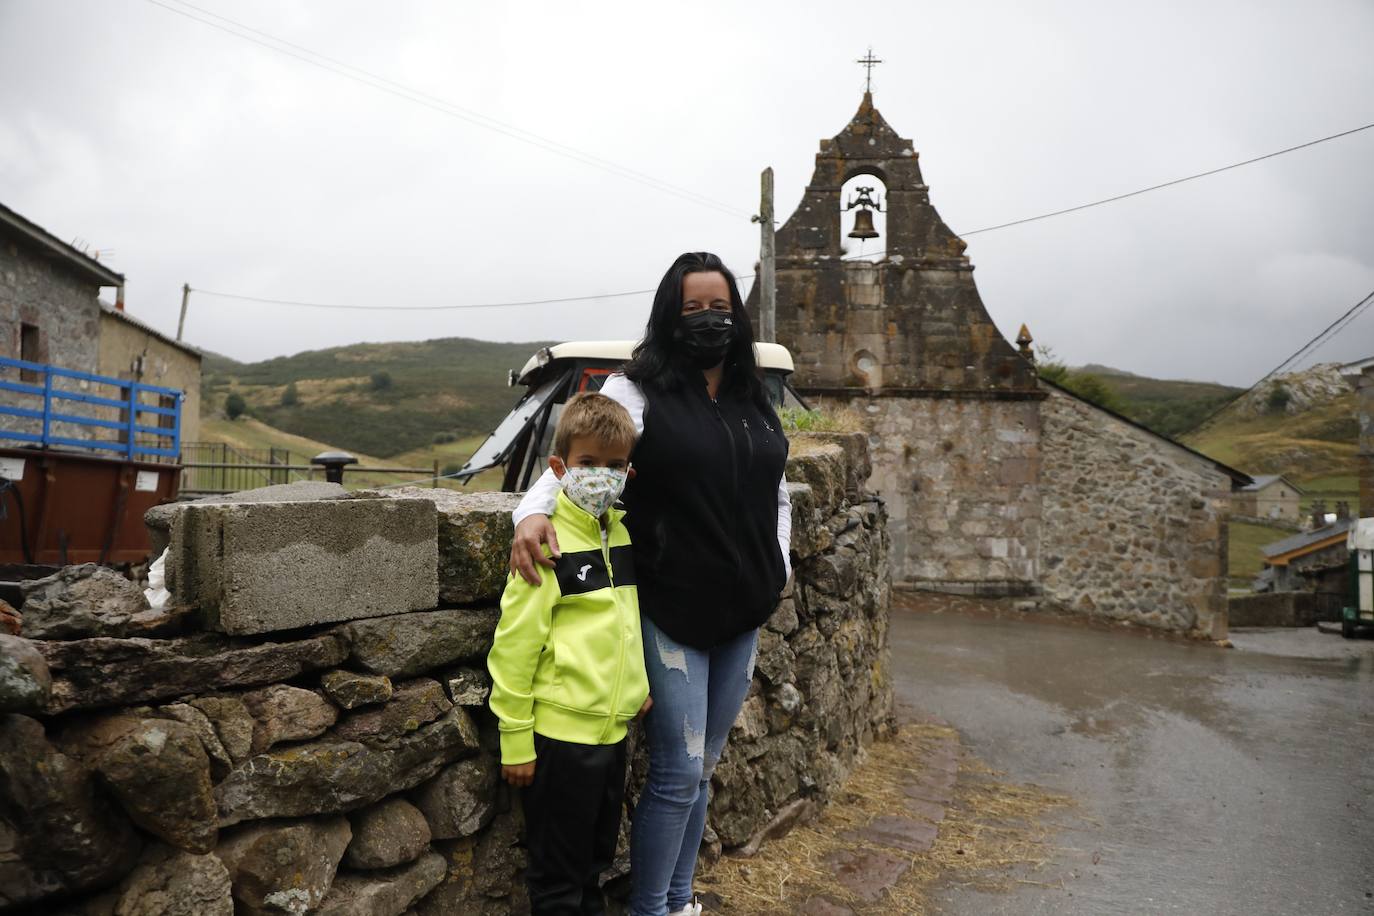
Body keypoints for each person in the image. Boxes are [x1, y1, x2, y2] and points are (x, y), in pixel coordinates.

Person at [509, 252, 792, 916]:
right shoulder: (638, 389)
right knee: (677, 771)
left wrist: (778, 564)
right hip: (673, 608)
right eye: (693, 308)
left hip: (743, 612)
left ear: (737, 314)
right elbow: (580, 454)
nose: (708, 319)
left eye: (719, 307)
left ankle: (679, 899)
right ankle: (650, 909)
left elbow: (777, 493)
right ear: (670, 315)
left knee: (704, 770)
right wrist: (529, 515)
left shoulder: (753, 395)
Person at [488, 392, 653, 916]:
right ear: (559, 467)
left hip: (612, 735)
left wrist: (638, 686)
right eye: (587, 462)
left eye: (615, 465)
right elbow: (515, 647)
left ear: (629, 471)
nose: (601, 475)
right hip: (560, 742)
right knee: (558, 880)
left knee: (593, 864)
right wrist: (516, 740)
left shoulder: (621, 533)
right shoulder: (546, 543)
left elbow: (626, 621)